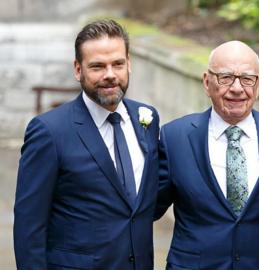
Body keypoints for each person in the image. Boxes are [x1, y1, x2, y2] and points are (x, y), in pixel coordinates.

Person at [14, 19, 160, 269]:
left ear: (129, 64)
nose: (110, 75)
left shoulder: (147, 118)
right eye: (97, 66)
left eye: (118, 64)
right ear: (78, 69)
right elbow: (30, 227)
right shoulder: (49, 131)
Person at [155, 40, 259, 269]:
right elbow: (148, 209)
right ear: (207, 82)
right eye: (225, 77)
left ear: (258, 84)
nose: (236, 88)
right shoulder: (175, 137)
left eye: (247, 79)